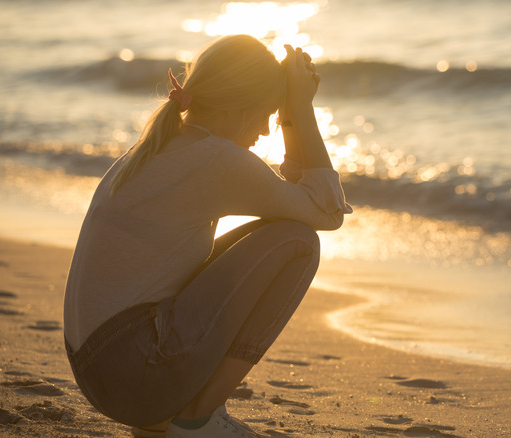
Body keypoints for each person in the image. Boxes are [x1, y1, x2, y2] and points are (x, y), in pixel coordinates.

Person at [62, 35, 351, 438]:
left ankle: (169, 417)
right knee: (298, 242)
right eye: (266, 115)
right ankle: (197, 417)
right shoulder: (217, 159)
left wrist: (288, 112)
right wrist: (299, 111)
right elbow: (326, 212)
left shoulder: (158, 147)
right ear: (236, 108)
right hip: (134, 374)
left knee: (279, 231)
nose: (266, 131)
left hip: (102, 372)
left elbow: (299, 200)